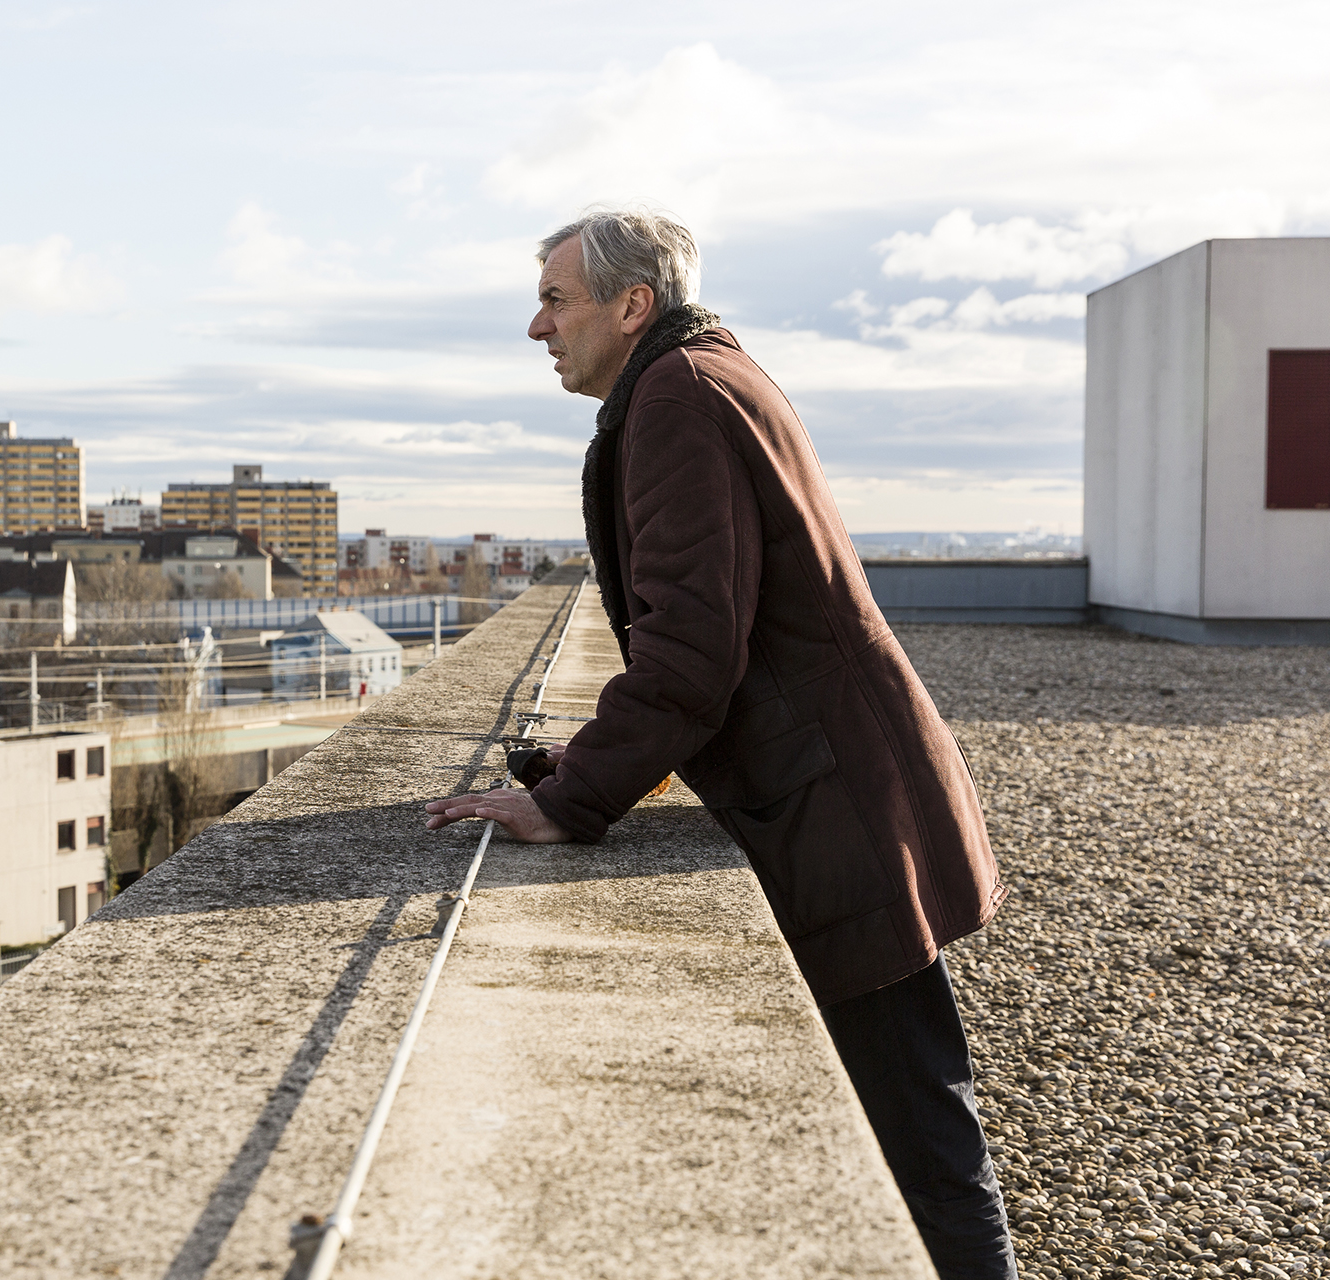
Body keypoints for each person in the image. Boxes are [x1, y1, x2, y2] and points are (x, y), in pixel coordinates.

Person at [424, 209, 1015, 1280]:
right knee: (917, 1118)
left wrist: (573, 799)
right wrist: (584, 762)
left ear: (631, 305)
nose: (536, 325)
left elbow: (694, 646)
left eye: (557, 300)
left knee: (921, 1145)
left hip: (835, 806)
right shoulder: (702, 375)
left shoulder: (679, 398)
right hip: (842, 789)